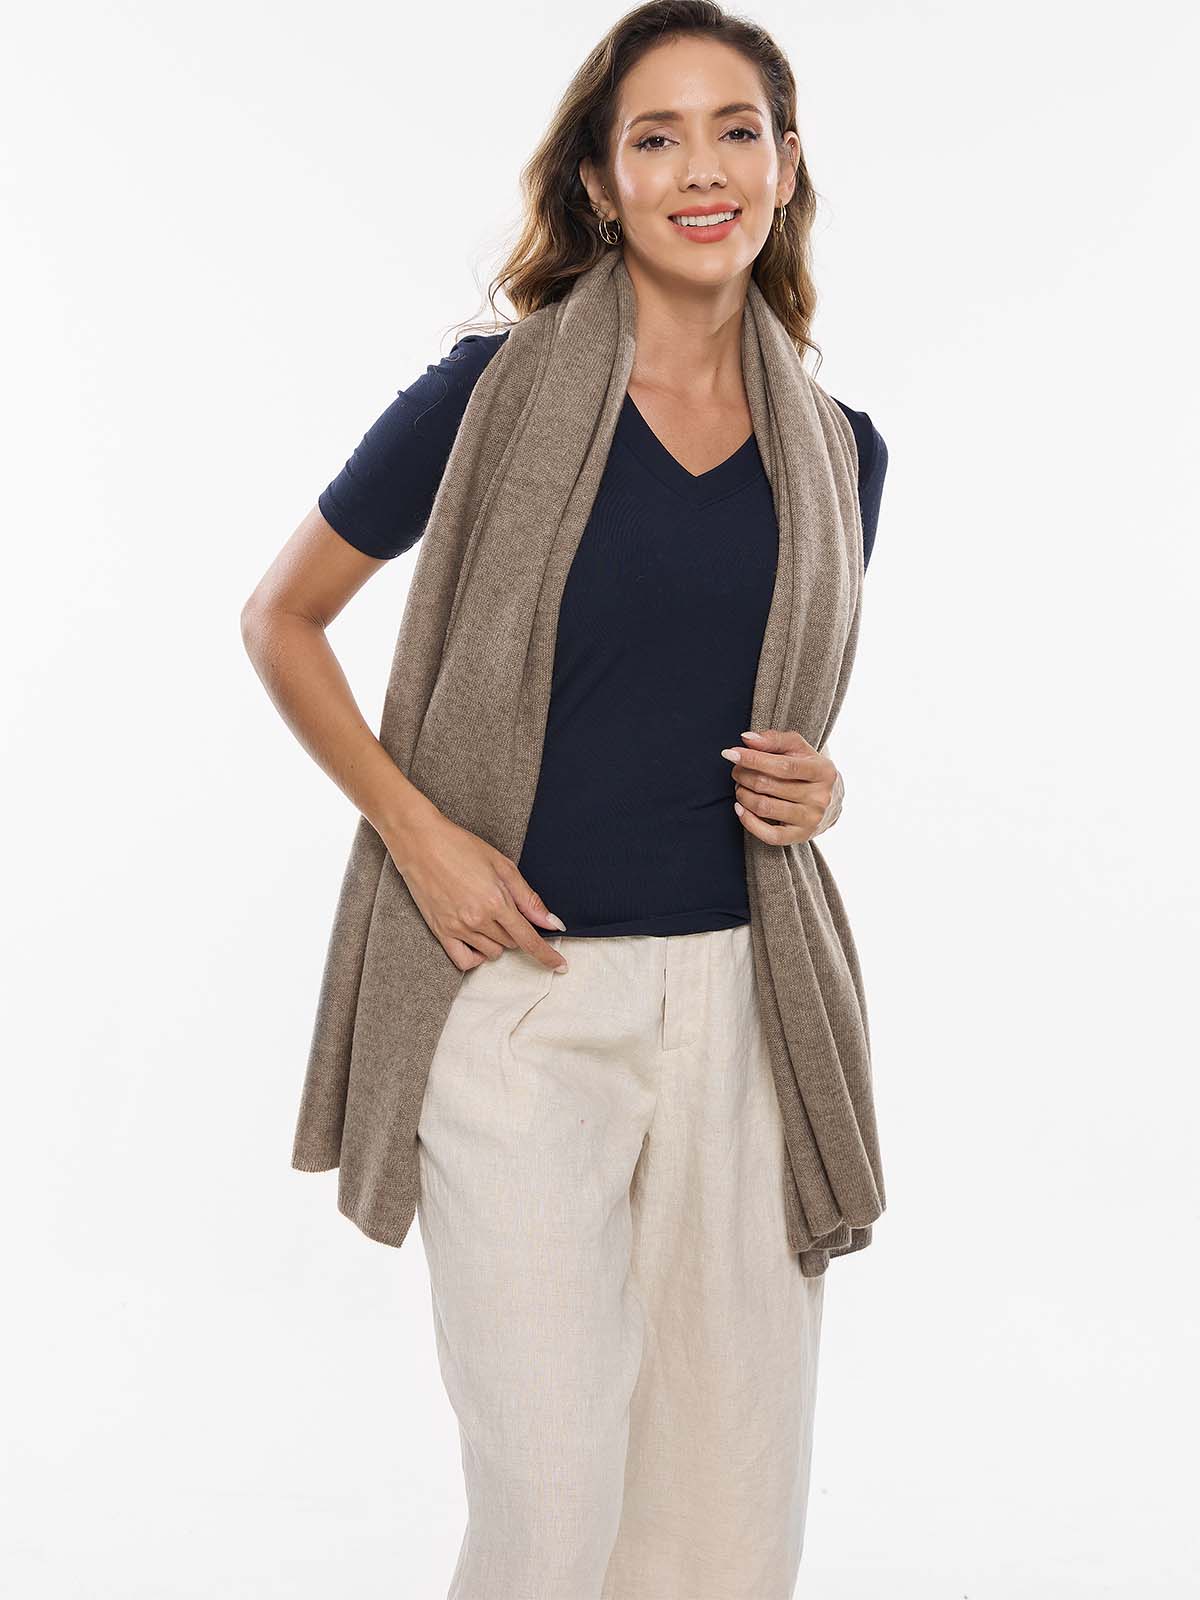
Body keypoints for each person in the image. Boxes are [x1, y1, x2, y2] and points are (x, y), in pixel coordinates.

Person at [241, 3, 888, 1595]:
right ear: (602, 183)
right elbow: (282, 620)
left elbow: (755, 710)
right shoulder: (485, 399)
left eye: (735, 131)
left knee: (726, 1509)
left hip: (747, 1002)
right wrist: (422, 838)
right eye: (656, 137)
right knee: (548, 1498)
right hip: (518, 1000)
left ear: (786, 166)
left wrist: (821, 785)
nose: (702, 170)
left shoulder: (842, 452)